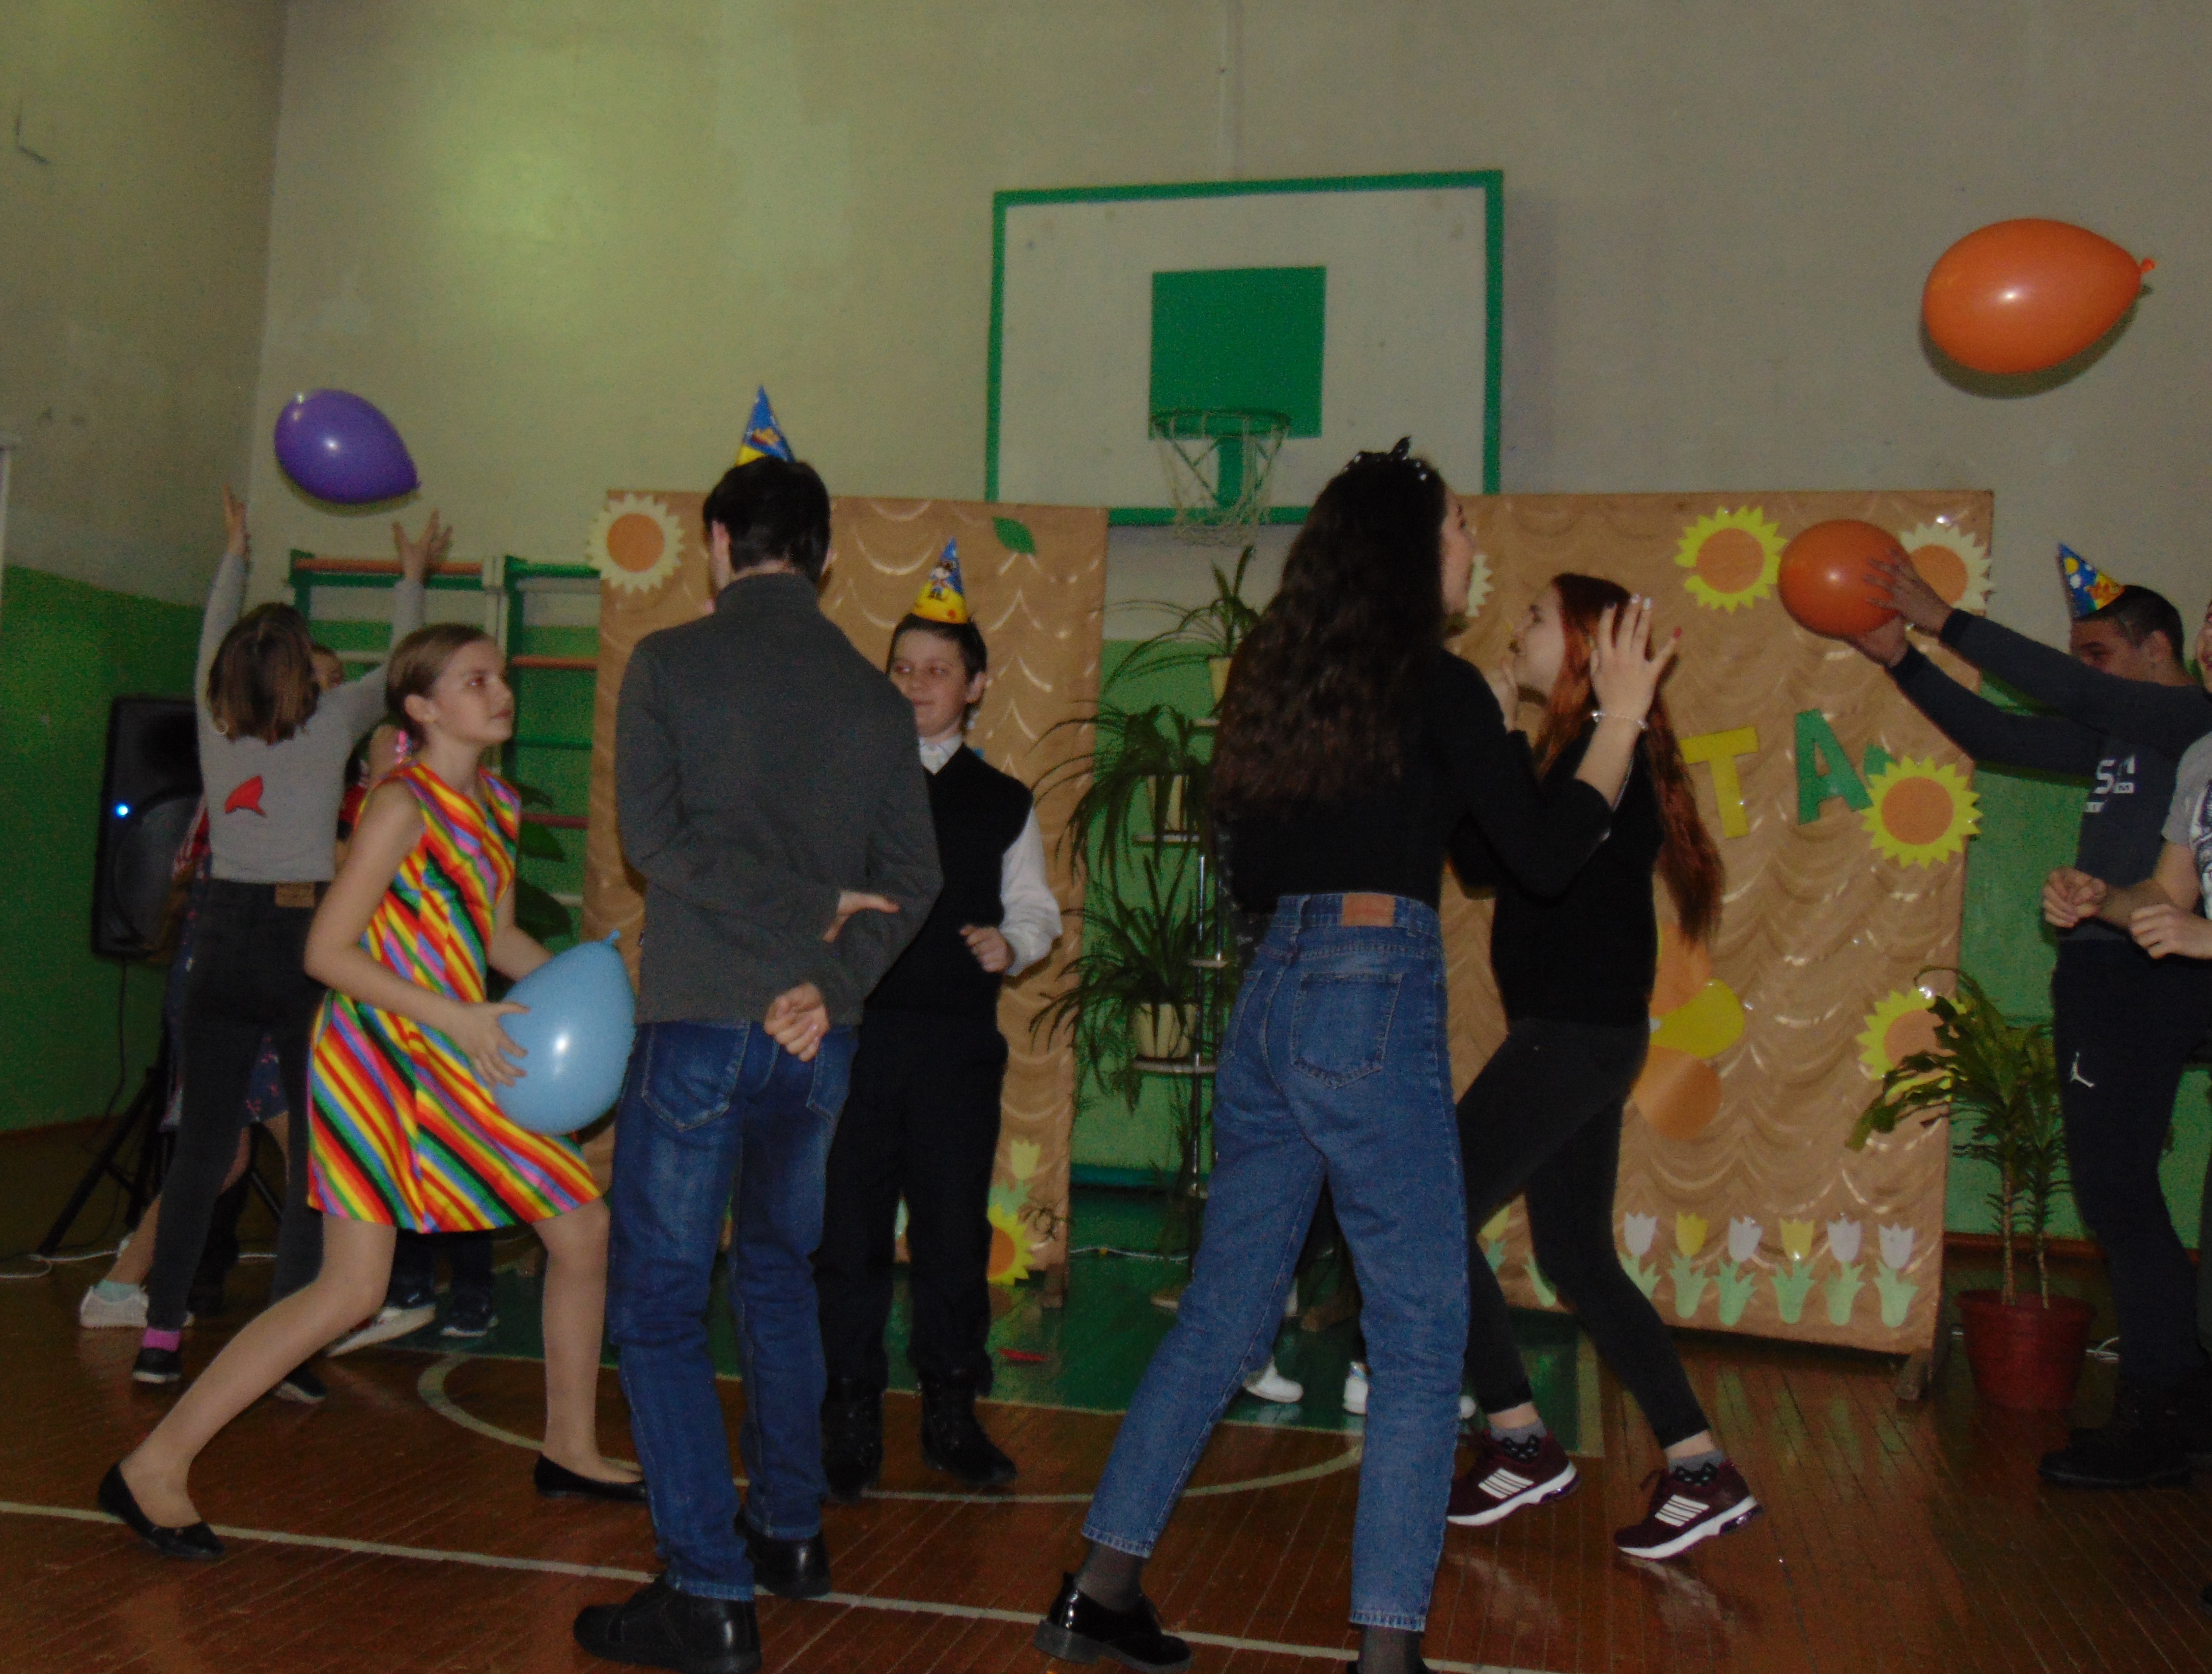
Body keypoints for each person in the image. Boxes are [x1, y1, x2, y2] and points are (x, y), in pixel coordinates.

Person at [1030, 442, 1675, 1674]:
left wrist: (1495, 732)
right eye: (1460, 527)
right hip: (1368, 993)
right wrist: (1624, 716)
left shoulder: (1283, 687)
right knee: (1424, 1337)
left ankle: (1096, 1595)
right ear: (1410, 549)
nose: (1475, 548)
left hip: (1273, 997)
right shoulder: (1437, 687)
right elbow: (1545, 857)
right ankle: (1385, 1660)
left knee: (1222, 1320)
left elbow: (1345, 863)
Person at [100, 623, 642, 1562]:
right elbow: (325, 953)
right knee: (351, 1289)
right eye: (475, 680)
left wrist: (588, 991)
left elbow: (493, 936)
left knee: (580, 1228)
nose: (499, 691)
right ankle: (153, 1466)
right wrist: (461, 1017)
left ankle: (568, 1448)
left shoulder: (497, 803)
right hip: (379, 1061)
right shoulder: (400, 807)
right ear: (422, 708)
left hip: (452, 1054)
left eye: (500, 676)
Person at [573, 456, 941, 1674]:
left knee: (660, 1306)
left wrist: (797, 911)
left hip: (699, 1023)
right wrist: (831, 977)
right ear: (824, 557)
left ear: (718, 545)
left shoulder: (669, 663)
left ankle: (706, 1590)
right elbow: (915, 881)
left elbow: (653, 840)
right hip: (813, 1039)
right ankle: (788, 1534)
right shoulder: (878, 701)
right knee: (779, 1281)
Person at [1852, 558, 2212, 1489]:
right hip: (2107, 958)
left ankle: (2163, 1409)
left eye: (2100, 654)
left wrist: (1945, 620)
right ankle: (2175, 1398)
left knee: (2117, 1190)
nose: (2084, 674)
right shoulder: (2143, 739)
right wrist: (1901, 659)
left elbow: (2070, 691)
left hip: (2152, 971)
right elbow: (1996, 731)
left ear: (2158, 649)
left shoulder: (2186, 718)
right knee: (2117, 1190)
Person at [1441, 575, 1757, 1558]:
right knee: (1575, 1257)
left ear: (1583, 644)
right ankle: (1699, 1467)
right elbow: (1485, 864)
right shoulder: (1573, 749)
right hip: (1579, 1036)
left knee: (1426, 1211)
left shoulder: (1601, 750)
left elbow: (1534, 863)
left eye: (1537, 617)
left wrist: (1494, 737)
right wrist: (1491, 739)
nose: (1516, 628)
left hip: (1573, 1037)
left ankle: (1518, 1439)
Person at [126, 495, 439, 1399]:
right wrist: (410, 576)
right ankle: (292, 1352)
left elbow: (214, 632)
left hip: (221, 937)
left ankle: (159, 1338)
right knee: (312, 1155)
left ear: (229, 674)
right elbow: (399, 671)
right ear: (304, 669)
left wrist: (235, 550)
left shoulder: (213, 722)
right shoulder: (333, 720)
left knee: (202, 1151)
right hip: (304, 940)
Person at [814, 557, 1063, 1499]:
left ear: (976, 686)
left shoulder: (1002, 800)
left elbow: (1034, 908)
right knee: (847, 1234)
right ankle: (847, 1412)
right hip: (853, 1041)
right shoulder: (844, 784)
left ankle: (952, 1412)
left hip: (955, 1050)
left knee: (953, 1236)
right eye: (902, 668)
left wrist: (1014, 942)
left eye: (937, 670)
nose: (916, 684)